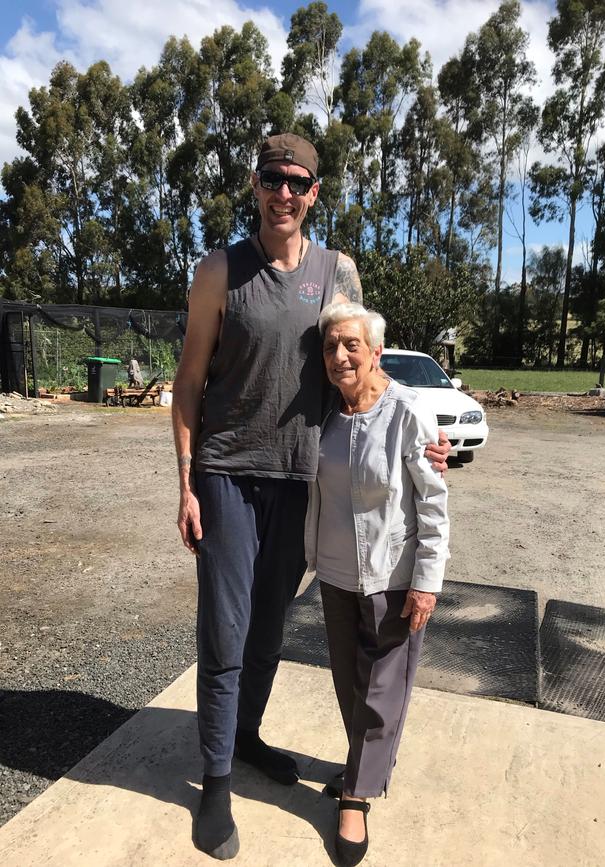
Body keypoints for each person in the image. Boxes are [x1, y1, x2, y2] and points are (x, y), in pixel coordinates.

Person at [171, 132, 451, 860]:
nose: (284, 194)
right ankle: (215, 781)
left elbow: (363, 365)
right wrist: (186, 485)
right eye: (273, 179)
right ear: (256, 184)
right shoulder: (219, 271)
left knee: (267, 630)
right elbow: (189, 383)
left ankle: (246, 734)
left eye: (298, 182)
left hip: (303, 485)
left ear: (314, 192)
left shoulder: (337, 272)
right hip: (228, 475)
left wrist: (421, 435)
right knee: (226, 635)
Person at [305, 301, 450, 866]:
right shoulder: (324, 412)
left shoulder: (408, 413)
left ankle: (356, 795)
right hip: (336, 574)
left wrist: (427, 582)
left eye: (351, 345)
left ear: (375, 352)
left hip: (393, 577)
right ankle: (362, 764)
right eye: (330, 346)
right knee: (350, 683)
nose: (339, 356)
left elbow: (434, 504)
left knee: (384, 691)